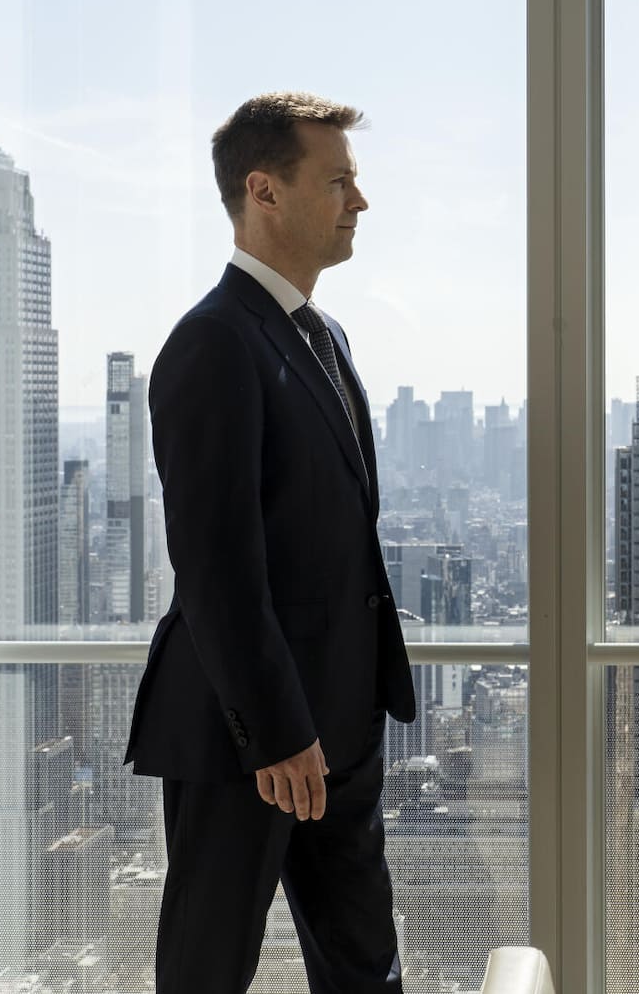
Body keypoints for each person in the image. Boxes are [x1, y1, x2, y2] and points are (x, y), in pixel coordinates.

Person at [124, 91, 416, 993]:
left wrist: (345, 717)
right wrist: (278, 734)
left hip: (340, 726)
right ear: (266, 191)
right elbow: (216, 571)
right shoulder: (213, 344)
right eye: (338, 182)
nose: (358, 203)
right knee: (208, 971)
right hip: (244, 734)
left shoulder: (324, 337)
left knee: (365, 964)